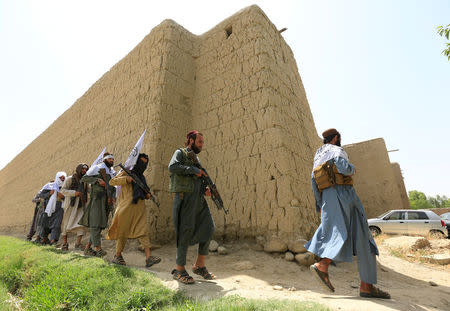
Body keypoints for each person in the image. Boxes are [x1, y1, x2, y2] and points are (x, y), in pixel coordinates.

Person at [306, 128, 390, 299]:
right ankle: (325, 267)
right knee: (362, 236)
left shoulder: (318, 157)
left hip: (327, 198)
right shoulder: (338, 151)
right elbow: (343, 168)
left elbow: (313, 181)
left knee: (336, 230)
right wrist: (353, 169)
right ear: (336, 138)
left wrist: (320, 204)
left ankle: (365, 286)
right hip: (345, 194)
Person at [168, 130, 215, 284]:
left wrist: (204, 190)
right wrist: (194, 170)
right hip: (185, 198)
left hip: (198, 199)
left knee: (209, 227)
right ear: (191, 141)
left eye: (202, 142)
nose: (202, 145)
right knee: (185, 231)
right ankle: (179, 269)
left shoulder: (196, 158)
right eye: (199, 141)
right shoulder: (180, 153)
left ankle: (199, 266)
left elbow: (196, 180)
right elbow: (173, 167)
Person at [107, 153, 161, 267]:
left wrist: (147, 195)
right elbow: (112, 182)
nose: (143, 165)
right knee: (123, 232)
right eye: (141, 162)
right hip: (126, 207)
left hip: (139, 208)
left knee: (143, 231)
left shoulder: (142, 178)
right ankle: (117, 256)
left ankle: (148, 258)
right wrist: (127, 179)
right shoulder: (126, 173)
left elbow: (143, 192)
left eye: (145, 163)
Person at [79, 152, 116, 257]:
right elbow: (84, 178)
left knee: (100, 226)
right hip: (97, 199)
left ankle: (87, 248)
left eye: (113, 160)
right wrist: (97, 180)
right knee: (95, 224)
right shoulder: (97, 167)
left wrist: (113, 197)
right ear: (105, 160)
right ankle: (98, 249)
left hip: (107, 200)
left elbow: (113, 186)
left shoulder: (112, 171)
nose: (112, 161)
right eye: (110, 159)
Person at [60, 163, 89, 251]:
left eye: (85, 169)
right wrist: (74, 193)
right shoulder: (69, 179)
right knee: (65, 223)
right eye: (83, 169)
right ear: (78, 169)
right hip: (70, 204)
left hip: (80, 204)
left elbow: (88, 190)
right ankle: (65, 243)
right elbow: (63, 190)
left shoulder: (85, 181)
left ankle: (78, 243)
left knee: (81, 223)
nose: (84, 171)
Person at [40, 172, 67, 245]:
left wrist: (63, 197)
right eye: (61, 177)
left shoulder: (66, 187)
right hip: (48, 207)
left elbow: (69, 197)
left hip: (60, 207)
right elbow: (41, 195)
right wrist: (49, 193)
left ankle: (53, 241)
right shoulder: (49, 186)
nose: (62, 179)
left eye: (63, 178)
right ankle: (44, 238)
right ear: (57, 177)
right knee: (46, 223)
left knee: (57, 224)